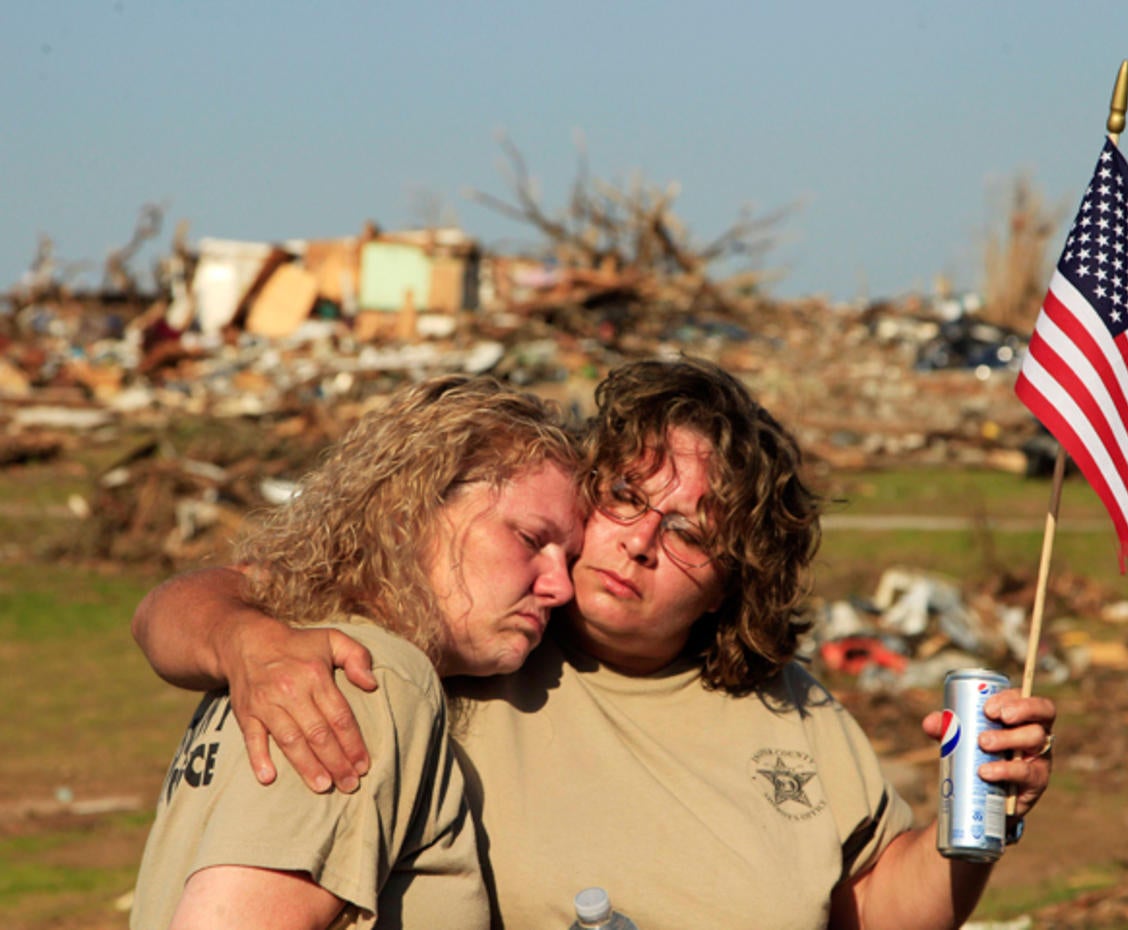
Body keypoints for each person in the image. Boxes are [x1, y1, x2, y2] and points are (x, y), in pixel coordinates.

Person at [133, 357, 1056, 930]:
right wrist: (245, 640)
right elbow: (195, 603)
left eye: (694, 534)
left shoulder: (790, 705)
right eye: (625, 498)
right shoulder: (461, 643)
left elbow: (868, 906)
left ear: (738, 579)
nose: (642, 544)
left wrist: (971, 832)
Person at [129, 375, 584, 930]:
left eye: (570, 557)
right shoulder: (366, 674)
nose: (560, 587)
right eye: (532, 540)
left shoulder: (286, 635)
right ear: (410, 513)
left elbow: (166, 605)